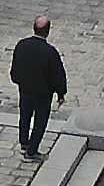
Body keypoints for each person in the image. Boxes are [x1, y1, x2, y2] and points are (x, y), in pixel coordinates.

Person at [11, 17, 69, 161]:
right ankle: (32, 152)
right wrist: (61, 93)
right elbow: (58, 75)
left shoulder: (22, 45)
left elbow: (15, 68)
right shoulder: (50, 52)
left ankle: (24, 142)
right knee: (40, 122)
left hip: (25, 89)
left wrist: (19, 81)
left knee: (24, 116)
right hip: (43, 94)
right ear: (47, 31)